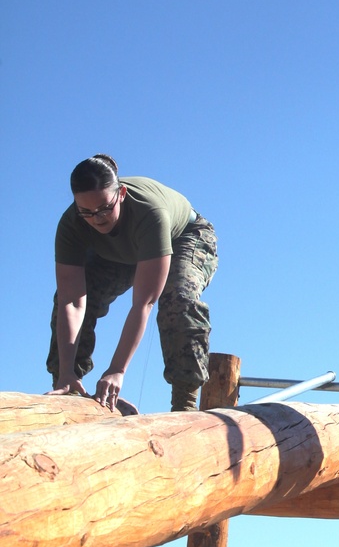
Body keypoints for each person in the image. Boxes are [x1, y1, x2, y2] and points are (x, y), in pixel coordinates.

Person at [47, 154, 218, 413]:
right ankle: (69, 386)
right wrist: (66, 371)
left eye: (105, 208)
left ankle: (184, 403)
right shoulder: (71, 224)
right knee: (69, 298)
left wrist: (117, 370)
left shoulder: (150, 212)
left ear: (122, 194)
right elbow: (72, 301)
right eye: (87, 212)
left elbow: (144, 303)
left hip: (184, 237)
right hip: (118, 253)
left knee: (178, 299)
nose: (97, 218)